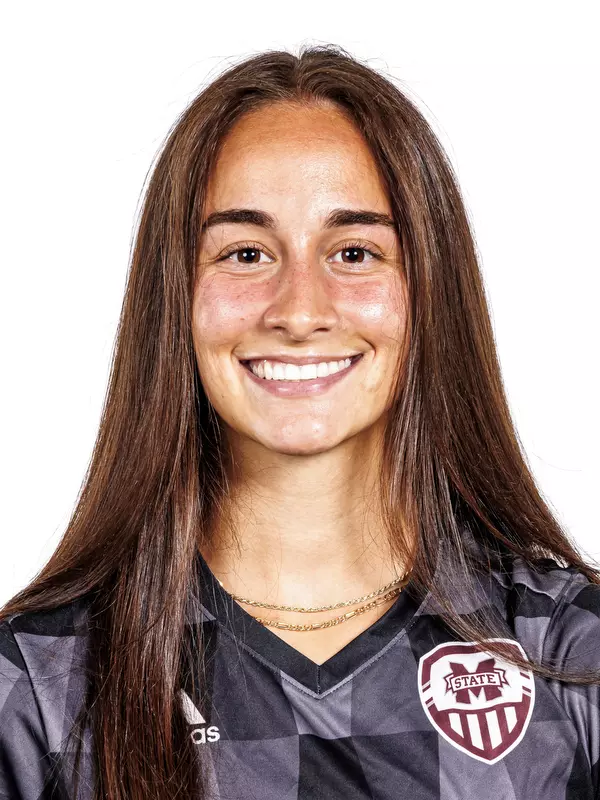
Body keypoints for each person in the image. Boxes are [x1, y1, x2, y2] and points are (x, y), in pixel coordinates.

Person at [1, 43, 599, 800]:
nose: (300, 311)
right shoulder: (38, 684)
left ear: (429, 292)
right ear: (174, 299)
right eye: (246, 252)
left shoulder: (569, 648)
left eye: (354, 251)